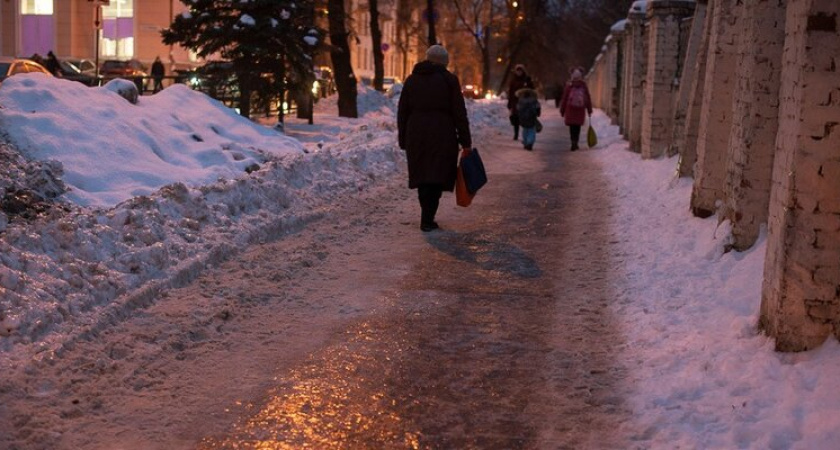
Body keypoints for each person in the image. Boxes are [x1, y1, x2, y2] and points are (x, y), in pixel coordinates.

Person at [398, 45, 472, 232]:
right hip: (443, 133)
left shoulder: (412, 80)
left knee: (422, 174)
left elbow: (402, 112)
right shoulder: (449, 81)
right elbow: (459, 113)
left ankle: (426, 216)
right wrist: (466, 141)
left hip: (416, 133)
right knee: (437, 175)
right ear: (444, 62)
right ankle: (428, 218)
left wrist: (403, 137)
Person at [559, 67, 593, 151]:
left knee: (572, 127)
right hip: (580, 110)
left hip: (570, 109)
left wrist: (562, 110)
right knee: (577, 127)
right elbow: (587, 97)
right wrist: (589, 109)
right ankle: (575, 142)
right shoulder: (583, 85)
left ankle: (573, 142)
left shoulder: (569, 85)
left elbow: (565, 98)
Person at [506, 64, 534, 141]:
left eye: (520, 70)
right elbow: (511, 92)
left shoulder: (526, 79)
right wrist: (509, 102)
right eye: (517, 71)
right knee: (515, 118)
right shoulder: (513, 80)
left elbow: (531, 90)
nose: (519, 72)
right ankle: (516, 134)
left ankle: (525, 135)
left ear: (523, 71)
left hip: (525, 102)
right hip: (515, 102)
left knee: (524, 118)